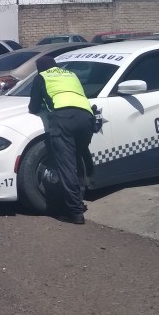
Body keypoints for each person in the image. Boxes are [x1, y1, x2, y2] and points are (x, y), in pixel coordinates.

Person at [28, 55, 95, 224]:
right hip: (86, 117)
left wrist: (44, 103)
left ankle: (75, 213)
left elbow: (33, 106)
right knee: (77, 159)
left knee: (67, 166)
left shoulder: (42, 77)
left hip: (63, 119)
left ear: (39, 68)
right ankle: (78, 201)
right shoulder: (70, 74)